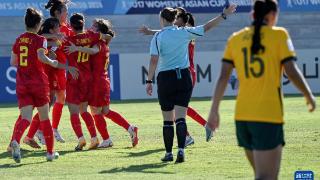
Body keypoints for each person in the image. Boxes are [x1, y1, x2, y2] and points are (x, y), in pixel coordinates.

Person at [207, 0, 316, 179]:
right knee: (267, 177)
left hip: (242, 119)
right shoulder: (279, 35)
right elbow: (291, 71)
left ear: (252, 15)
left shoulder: (235, 39)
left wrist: (214, 111)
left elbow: (223, 77)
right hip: (267, 116)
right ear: (272, 15)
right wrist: (308, 95)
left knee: (260, 174)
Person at [146, 5, 236, 163]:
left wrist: (149, 81)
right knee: (181, 118)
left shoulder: (158, 37)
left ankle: (168, 153)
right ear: (174, 19)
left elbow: (154, 60)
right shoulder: (184, 32)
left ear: (162, 19)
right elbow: (206, 27)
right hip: (183, 76)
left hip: (165, 78)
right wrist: (223, 15)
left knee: (168, 120)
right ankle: (181, 151)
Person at [9, 8, 78, 162]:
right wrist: (52, 61)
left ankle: (15, 141)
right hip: (38, 83)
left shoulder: (19, 39)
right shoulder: (41, 40)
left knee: (25, 117)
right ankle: (50, 153)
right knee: (45, 117)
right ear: (39, 24)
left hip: (22, 82)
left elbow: (13, 62)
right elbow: (41, 56)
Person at [139, 10, 214, 147]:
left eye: (177, 18)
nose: (175, 21)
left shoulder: (186, 33)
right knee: (178, 107)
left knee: (177, 108)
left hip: (186, 72)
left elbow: (169, 32)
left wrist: (152, 32)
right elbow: (167, 32)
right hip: (184, 72)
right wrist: (151, 32)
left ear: (184, 22)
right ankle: (189, 135)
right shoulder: (178, 33)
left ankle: (196, 131)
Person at [65, 19, 139, 148]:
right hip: (103, 80)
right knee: (105, 111)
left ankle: (106, 139)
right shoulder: (103, 42)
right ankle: (130, 128)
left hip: (97, 82)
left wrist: (76, 47)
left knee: (95, 112)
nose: (91, 28)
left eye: (94, 27)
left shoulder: (99, 43)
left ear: (99, 31)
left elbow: (93, 51)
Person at [64, 13, 113, 151]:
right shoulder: (91, 37)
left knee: (74, 112)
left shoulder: (69, 40)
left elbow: (54, 49)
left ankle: (80, 139)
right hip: (87, 78)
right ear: (83, 24)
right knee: (84, 110)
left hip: (74, 77)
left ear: (71, 25)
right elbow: (108, 36)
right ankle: (94, 137)